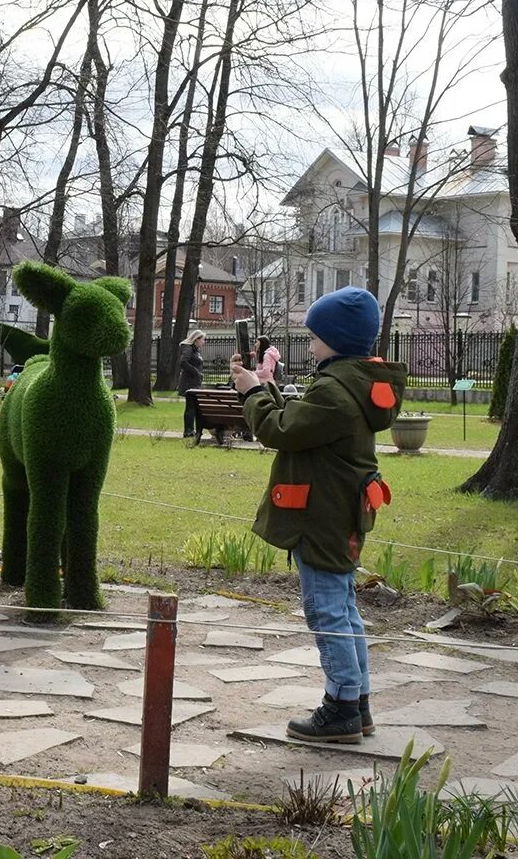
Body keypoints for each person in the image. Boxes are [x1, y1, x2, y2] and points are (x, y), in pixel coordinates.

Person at [230, 286, 405, 744]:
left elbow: (280, 430)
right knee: (343, 609)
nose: (308, 344)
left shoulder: (334, 389)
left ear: (335, 339)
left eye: (314, 336)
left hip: (322, 514)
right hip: (339, 511)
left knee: (325, 610)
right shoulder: (353, 383)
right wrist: (264, 387)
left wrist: (252, 394)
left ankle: (342, 707)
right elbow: (304, 425)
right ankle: (358, 702)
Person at [177, 329, 206, 440]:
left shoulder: (195, 350)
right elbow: (183, 362)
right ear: (196, 339)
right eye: (203, 339)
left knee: (193, 407)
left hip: (194, 382)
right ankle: (188, 431)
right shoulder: (188, 348)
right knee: (190, 407)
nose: (204, 342)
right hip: (189, 382)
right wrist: (196, 372)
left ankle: (191, 429)